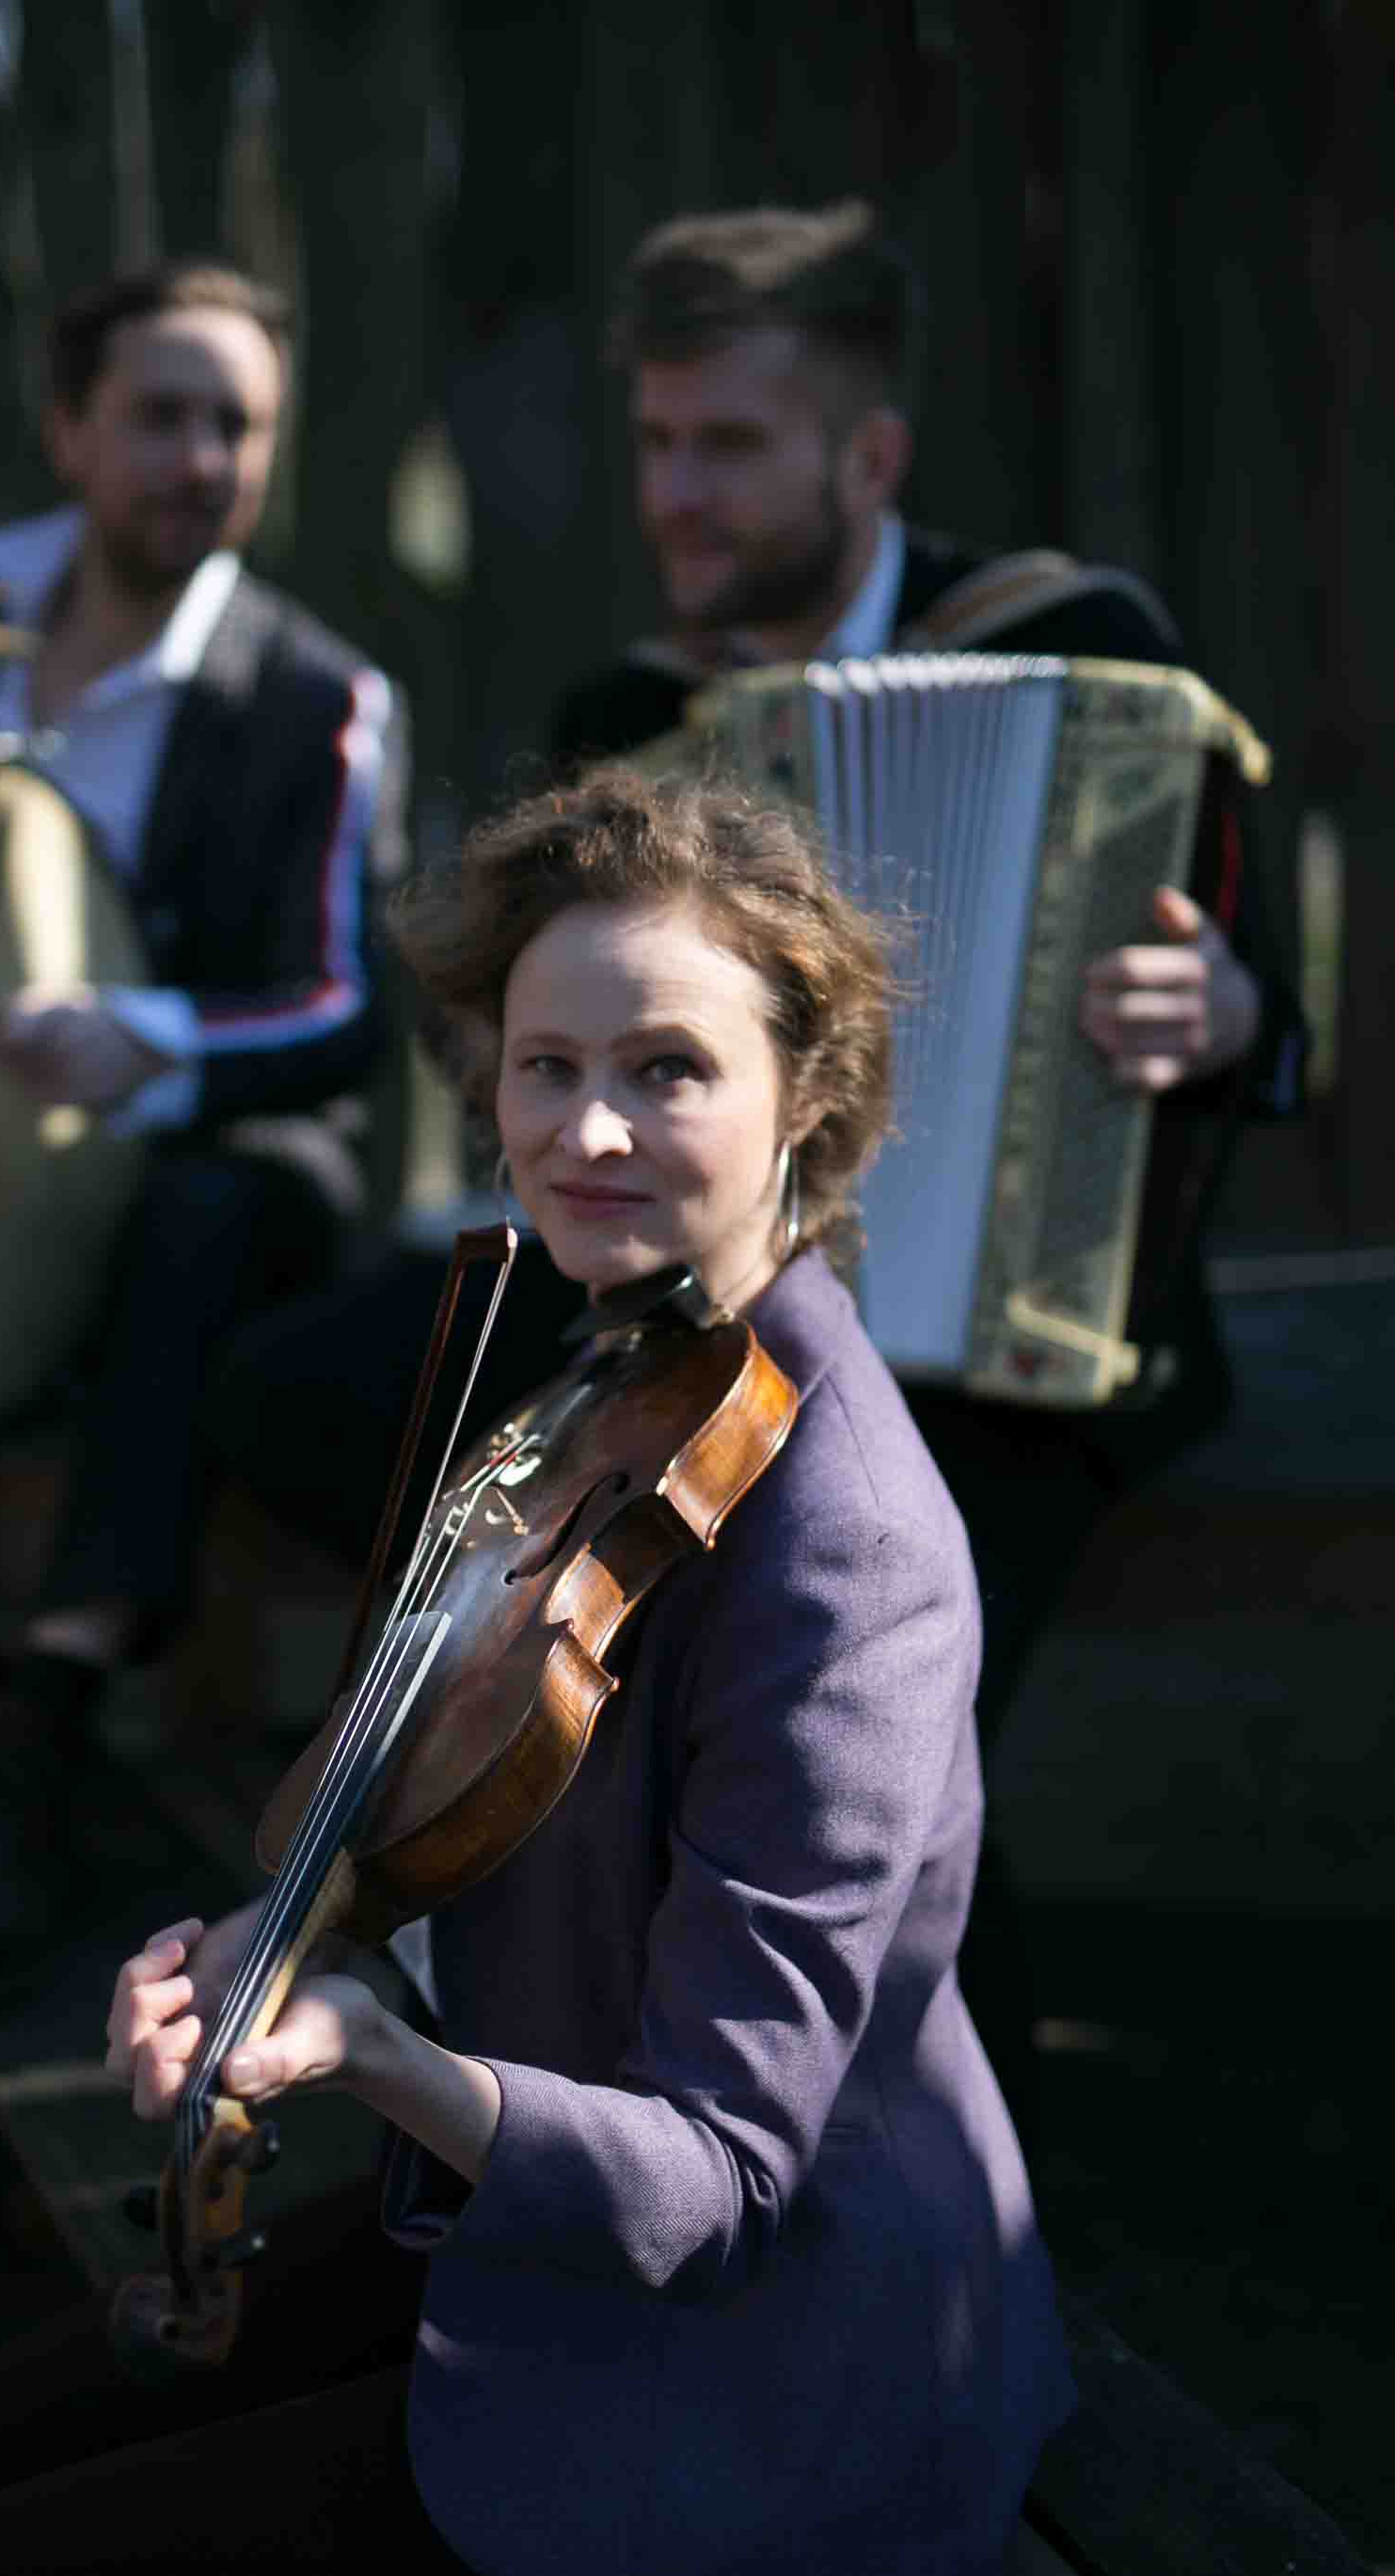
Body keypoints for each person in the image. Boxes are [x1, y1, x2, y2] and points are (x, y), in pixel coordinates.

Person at [0, 769, 1073, 2576]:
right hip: (521, 2205)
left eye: (666, 1067)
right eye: (545, 1065)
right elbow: (470, 1854)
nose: (586, 1131)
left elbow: (720, 2178)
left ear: (803, 1096)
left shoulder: (845, 1545)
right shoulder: (612, 1367)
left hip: (761, 2367)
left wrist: (360, 2048)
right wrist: (266, 1955)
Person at [547, 202, 1308, 2125]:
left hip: (1038, 1357)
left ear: (865, 458)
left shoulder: (1083, 650)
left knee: (858, 1682)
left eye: (725, 444)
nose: (676, 495)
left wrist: (1217, 1012)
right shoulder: (626, 724)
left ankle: (932, 2203)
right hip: (718, 1341)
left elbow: (1262, 1017)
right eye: (653, 441)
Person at [0, 262, 406, 1999]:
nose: (200, 456)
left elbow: (345, 1011)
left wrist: (149, 1044)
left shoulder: (315, 692)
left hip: (222, 1174)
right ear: (68, 430)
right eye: (161, 415)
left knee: (204, 1210)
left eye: (238, 425)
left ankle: (39, 1734)